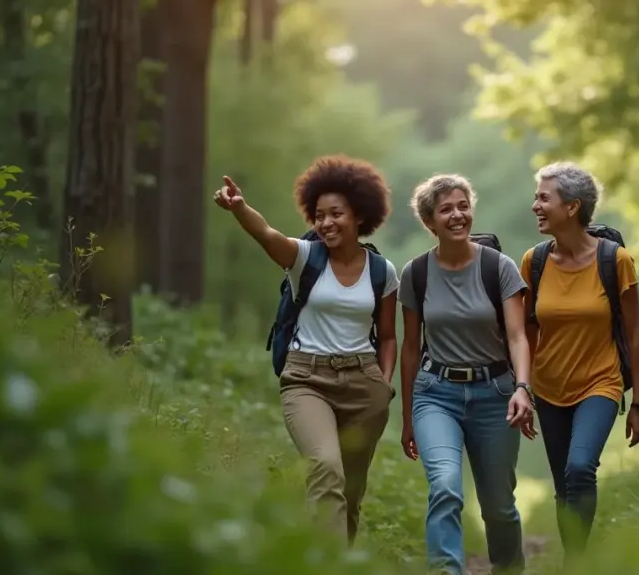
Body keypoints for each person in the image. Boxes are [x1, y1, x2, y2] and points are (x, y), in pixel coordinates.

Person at [212, 154, 399, 546]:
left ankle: (337, 557)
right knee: (325, 467)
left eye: (336, 214)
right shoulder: (303, 257)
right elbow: (265, 233)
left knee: (349, 490)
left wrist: (383, 385)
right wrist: (240, 208)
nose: (325, 223)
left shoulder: (383, 271)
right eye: (319, 215)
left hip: (363, 384)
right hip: (306, 380)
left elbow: (387, 337)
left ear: (360, 216)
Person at [397, 174, 535, 575]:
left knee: (498, 506)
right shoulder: (416, 273)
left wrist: (523, 388)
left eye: (463, 206)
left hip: (495, 394)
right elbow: (410, 348)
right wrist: (408, 417)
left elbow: (517, 337)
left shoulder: (499, 267)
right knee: (444, 487)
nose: (457, 215)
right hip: (435, 394)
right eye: (446, 209)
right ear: (430, 221)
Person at [520, 162, 639, 561]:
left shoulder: (616, 260)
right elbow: (526, 333)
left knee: (579, 469)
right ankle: (574, 560)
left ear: (572, 207)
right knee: (563, 485)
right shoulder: (534, 262)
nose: (535, 206)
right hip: (548, 388)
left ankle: (577, 562)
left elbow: (633, 334)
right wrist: (522, 388)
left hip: (600, 383)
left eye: (544, 198)